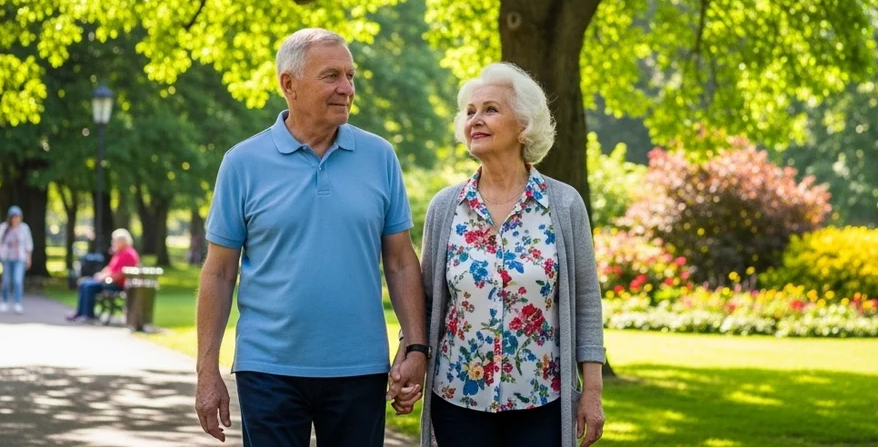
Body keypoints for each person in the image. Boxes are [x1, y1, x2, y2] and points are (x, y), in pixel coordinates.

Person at [194, 28, 427, 447]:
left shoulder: (380, 157)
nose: (347, 88)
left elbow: (401, 260)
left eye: (351, 76)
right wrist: (206, 370)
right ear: (289, 84)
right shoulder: (242, 163)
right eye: (332, 76)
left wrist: (415, 347)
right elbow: (219, 273)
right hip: (268, 368)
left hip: (360, 369)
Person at [403, 62, 606, 447]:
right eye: (470, 112)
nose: (475, 120)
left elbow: (587, 302)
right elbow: (425, 299)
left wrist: (592, 391)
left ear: (524, 125)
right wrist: (410, 356)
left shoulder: (562, 204)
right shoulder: (446, 207)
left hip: (541, 400)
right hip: (458, 397)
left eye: (490, 109)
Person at [66, 228, 140, 322]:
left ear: (121, 242)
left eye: (114, 241)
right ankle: (81, 313)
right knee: (84, 283)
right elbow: (110, 268)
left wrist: (103, 277)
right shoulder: (120, 253)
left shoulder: (128, 254)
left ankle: (88, 315)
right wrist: (101, 274)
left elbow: (121, 273)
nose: (112, 243)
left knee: (88, 286)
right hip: (109, 280)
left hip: (116, 284)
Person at [0, 206, 34, 313]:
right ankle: (5, 301)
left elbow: (28, 245)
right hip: (7, 258)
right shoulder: (4, 227)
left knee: (18, 281)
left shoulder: (24, 228)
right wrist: (0, 254)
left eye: (17, 217)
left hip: (19, 258)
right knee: (6, 281)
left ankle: (17, 302)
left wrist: (28, 258)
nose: (16, 219)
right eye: (14, 217)